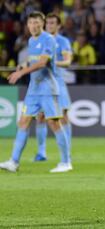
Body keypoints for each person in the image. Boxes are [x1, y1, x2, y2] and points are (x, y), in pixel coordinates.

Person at [0, 11, 70, 173]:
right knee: (23, 122)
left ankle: (66, 162)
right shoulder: (32, 40)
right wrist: (23, 66)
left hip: (48, 89)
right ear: (27, 25)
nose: (33, 26)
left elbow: (43, 63)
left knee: (54, 123)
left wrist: (20, 73)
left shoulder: (49, 40)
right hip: (34, 90)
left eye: (37, 23)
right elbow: (33, 60)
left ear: (42, 23)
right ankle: (14, 161)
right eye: (30, 23)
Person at [32, 13, 73, 172]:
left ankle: (66, 154)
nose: (49, 25)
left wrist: (53, 62)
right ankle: (41, 152)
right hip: (41, 84)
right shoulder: (40, 40)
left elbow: (68, 61)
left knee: (62, 116)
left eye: (52, 23)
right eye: (47, 23)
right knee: (40, 117)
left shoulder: (63, 41)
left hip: (57, 83)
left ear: (58, 25)